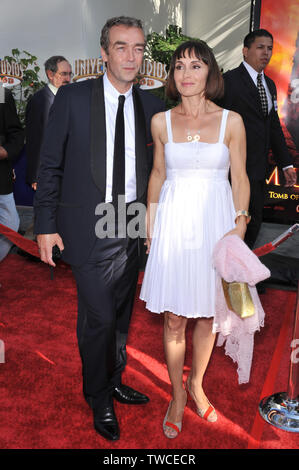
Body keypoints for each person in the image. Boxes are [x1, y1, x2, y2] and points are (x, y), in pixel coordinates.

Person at [34, 16, 164, 441]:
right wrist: (45, 225)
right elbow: (49, 164)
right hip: (86, 223)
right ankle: (98, 395)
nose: (131, 56)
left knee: (123, 314)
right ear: (104, 53)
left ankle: (114, 377)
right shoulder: (72, 98)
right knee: (100, 316)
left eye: (139, 48)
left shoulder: (149, 103)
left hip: (129, 219)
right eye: (121, 47)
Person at [140, 40, 250, 438]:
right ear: (172, 75)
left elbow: (239, 177)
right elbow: (157, 174)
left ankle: (196, 385)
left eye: (196, 66)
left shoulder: (231, 121)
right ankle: (177, 394)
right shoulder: (161, 121)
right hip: (174, 226)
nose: (186, 74)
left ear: (210, 74)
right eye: (179, 66)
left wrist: (239, 225)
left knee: (207, 314)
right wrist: (150, 223)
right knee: (174, 318)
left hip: (216, 226)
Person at [218, 29, 297, 249]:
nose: (266, 53)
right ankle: (231, 276)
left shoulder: (269, 85)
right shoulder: (228, 82)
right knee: (234, 224)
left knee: (254, 224)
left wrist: (286, 164)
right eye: (260, 47)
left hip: (259, 170)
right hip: (233, 171)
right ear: (245, 51)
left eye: (269, 48)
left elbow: (272, 127)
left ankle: (243, 275)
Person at [25, 56, 72, 190]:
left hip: (68, 172)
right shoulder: (39, 101)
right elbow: (34, 140)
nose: (68, 79)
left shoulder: (69, 97)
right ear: (50, 74)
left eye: (69, 74)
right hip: (47, 175)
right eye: (63, 74)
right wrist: (35, 175)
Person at [0, 84, 24, 263]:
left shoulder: (1, 94)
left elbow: (15, 132)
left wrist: (6, 151)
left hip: (0, 172)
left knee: (11, 223)